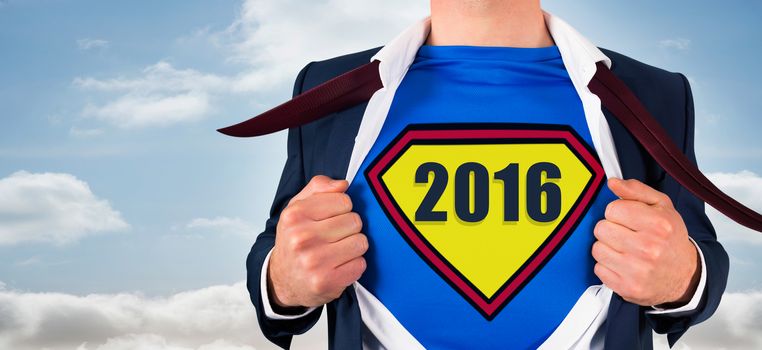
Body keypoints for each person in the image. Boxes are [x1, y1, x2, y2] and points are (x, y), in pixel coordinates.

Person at [244, 1, 729, 349]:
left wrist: (683, 277)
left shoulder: (656, 93)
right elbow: (279, 246)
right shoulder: (326, 89)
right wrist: (283, 281)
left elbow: (700, 256)